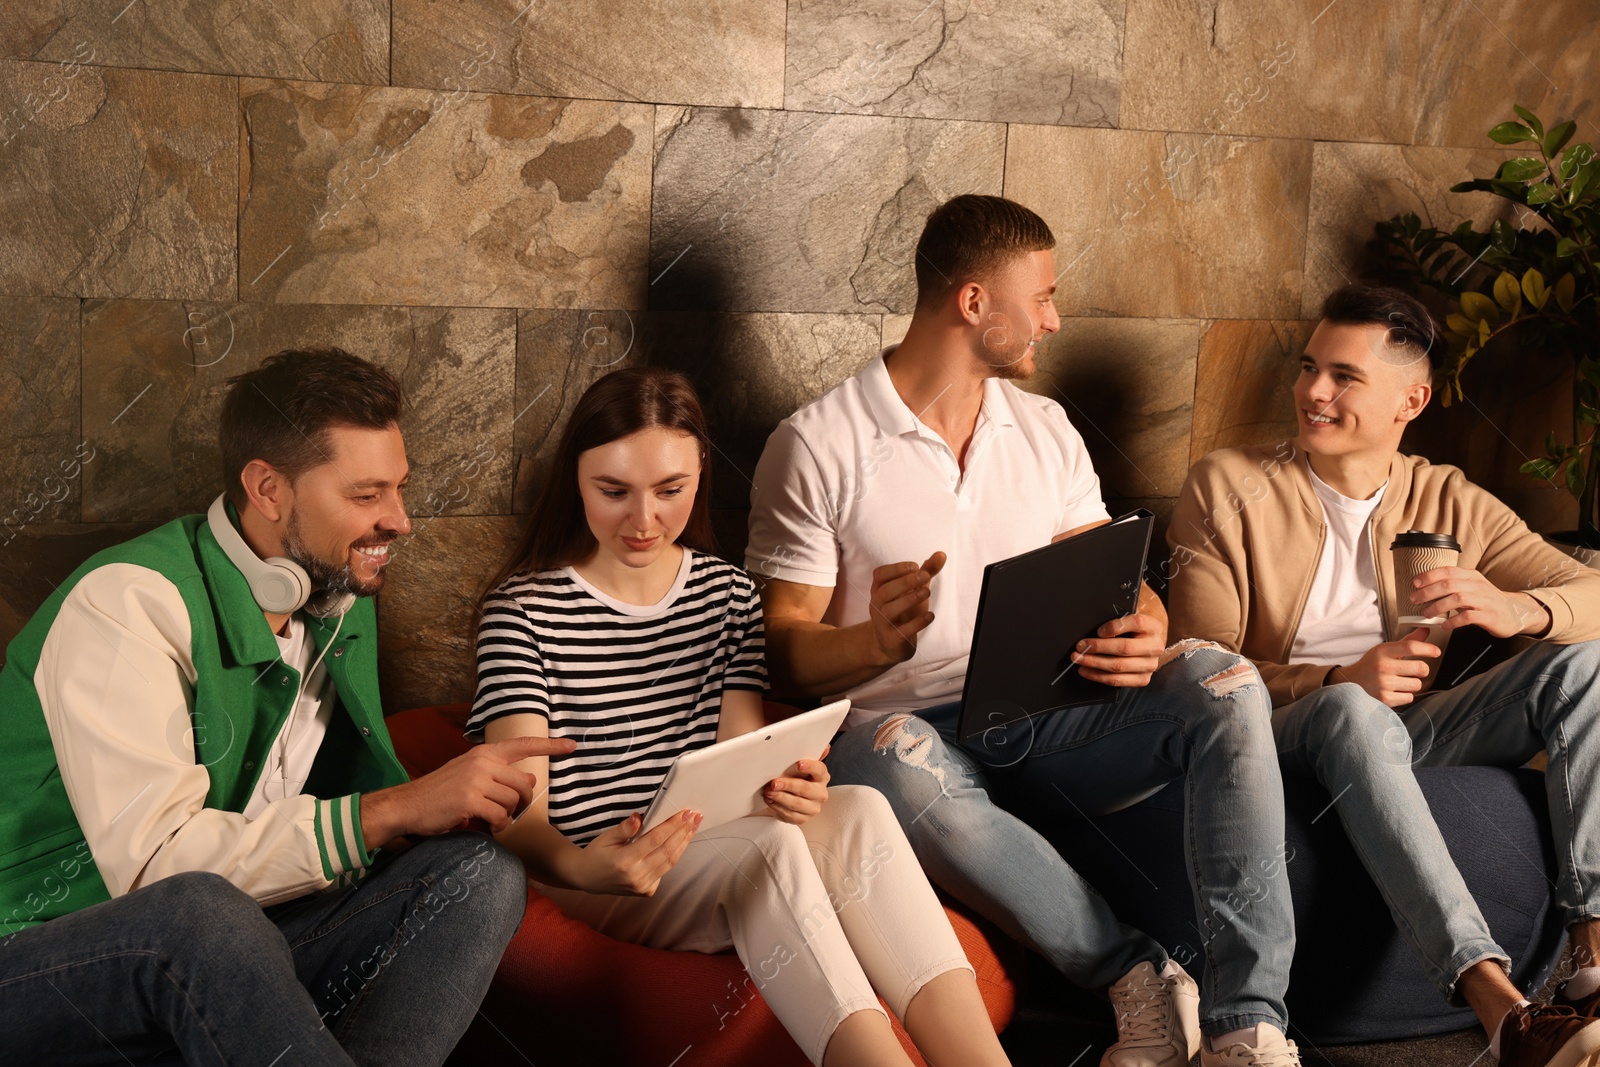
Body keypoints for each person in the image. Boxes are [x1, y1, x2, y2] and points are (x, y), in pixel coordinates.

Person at [746, 194, 1302, 1067]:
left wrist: (1145, 627)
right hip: (899, 729)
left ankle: (1248, 1026)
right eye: (1040, 295)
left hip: (1052, 712)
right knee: (894, 750)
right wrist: (872, 644)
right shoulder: (816, 442)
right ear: (973, 304)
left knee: (1225, 679)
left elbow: (1115, 578)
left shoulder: (1042, 428)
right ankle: (1138, 975)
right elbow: (780, 643)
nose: (1053, 316)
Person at [0, 349, 564, 1067]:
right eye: (367, 495)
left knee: (474, 876)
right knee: (201, 912)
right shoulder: (127, 604)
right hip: (36, 953)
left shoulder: (336, 595)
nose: (401, 519)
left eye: (399, 488)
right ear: (268, 488)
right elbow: (156, 874)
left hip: (230, 937)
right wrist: (389, 810)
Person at [468, 366, 1010, 1067]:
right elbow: (522, 817)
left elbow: (747, 758)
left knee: (860, 809)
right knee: (769, 850)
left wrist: (794, 785)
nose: (643, 520)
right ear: (576, 478)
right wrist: (588, 865)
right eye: (614, 491)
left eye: (670, 491)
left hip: (711, 844)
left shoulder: (726, 594)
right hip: (593, 866)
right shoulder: (522, 611)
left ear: (700, 474)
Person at [1167, 284, 1600, 1067]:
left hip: (1413, 731)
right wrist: (1339, 676)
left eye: (1343, 377)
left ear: (1413, 398)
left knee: (1585, 663)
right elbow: (1202, 669)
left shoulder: (1446, 496)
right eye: (1308, 369)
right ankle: (1500, 1007)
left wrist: (1519, 608)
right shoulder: (1227, 486)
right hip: (1280, 736)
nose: (1313, 393)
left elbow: (1590, 592)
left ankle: (1593, 970)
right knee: (1351, 713)